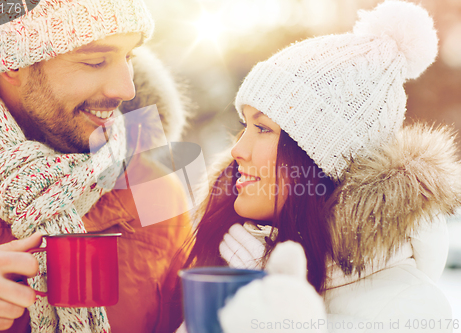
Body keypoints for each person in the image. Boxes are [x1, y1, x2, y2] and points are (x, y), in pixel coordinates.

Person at [174, 1, 461, 332]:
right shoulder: (234, 255)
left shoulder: (414, 311)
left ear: (320, 159)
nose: (238, 150)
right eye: (245, 125)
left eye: (263, 128)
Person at [0, 1, 191, 332]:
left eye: (129, 57)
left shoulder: (154, 191)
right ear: (11, 64)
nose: (126, 89)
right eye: (95, 61)